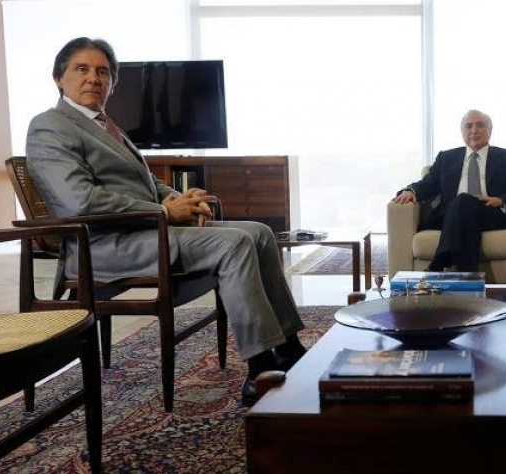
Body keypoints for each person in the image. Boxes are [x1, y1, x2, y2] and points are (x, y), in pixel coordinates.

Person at [25, 37, 306, 406]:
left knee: (260, 232)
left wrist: (179, 199)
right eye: (82, 69)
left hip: (144, 230)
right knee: (235, 242)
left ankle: (289, 347)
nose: (93, 78)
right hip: (103, 245)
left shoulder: (106, 125)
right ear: (59, 77)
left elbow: (148, 184)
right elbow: (80, 201)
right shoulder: (49, 126)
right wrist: (164, 212)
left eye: (103, 72)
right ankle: (260, 368)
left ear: (112, 83)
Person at [392, 110, 506, 271]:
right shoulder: (446, 158)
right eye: (468, 126)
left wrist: (501, 200)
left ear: (489, 130)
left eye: (480, 125)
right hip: (451, 215)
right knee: (463, 202)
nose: (474, 130)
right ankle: (468, 273)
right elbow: (428, 184)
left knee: (463, 200)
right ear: (462, 132)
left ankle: (439, 262)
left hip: (490, 213)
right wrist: (410, 191)